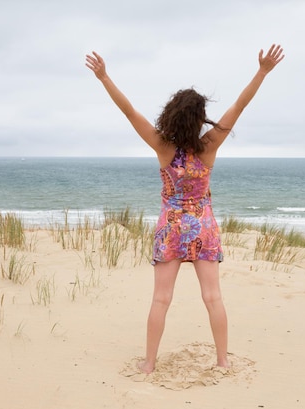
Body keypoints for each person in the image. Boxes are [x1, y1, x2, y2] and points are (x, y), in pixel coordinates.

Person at [85, 44, 284, 374]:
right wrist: (262, 72)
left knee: (161, 299)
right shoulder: (210, 144)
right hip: (203, 227)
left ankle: (149, 364)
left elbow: (129, 111)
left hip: (171, 228)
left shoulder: (163, 147)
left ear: (172, 114)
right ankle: (222, 362)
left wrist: (104, 77)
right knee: (213, 298)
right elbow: (240, 105)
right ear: (199, 118)